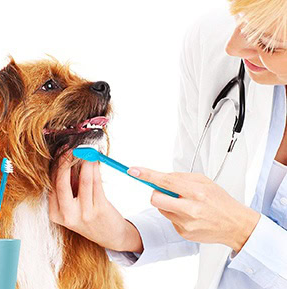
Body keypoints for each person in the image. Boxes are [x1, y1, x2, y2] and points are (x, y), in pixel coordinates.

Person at [48, 0, 287, 288]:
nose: (233, 47)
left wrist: (242, 229)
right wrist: (124, 234)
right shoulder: (211, 37)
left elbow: (225, 221)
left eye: (268, 44)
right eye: (243, 22)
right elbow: (201, 210)